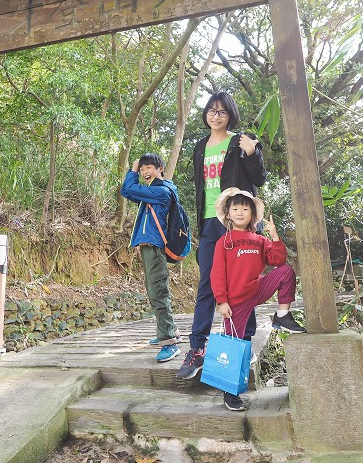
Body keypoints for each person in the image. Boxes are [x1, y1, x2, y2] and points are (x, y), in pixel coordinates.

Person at [177, 92, 266, 380]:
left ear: (230, 115)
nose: (216, 116)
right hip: (209, 223)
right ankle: (197, 349)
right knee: (206, 285)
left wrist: (252, 153)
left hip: (237, 222)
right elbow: (201, 187)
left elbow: (259, 178)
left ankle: (243, 341)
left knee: (242, 285)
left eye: (222, 112)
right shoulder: (200, 146)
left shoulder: (241, 141)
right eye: (212, 111)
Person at [210, 187, 305, 411]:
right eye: (236, 208)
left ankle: (282, 315)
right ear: (228, 213)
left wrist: (274, 236)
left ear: (253, 214)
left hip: (257, 289)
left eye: (245, 208)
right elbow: (217, 274)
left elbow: (278, 260)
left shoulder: (259, 240)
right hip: (235, 302)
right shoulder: (224, 242)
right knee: (234, 345)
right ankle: (229, 394)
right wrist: (222, 301)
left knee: (286, 271)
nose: (240, 212)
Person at [120, 153, 182, 363]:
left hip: (155, 247)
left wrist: (133, 170)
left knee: (158, 292)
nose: (145, 172)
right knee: (154, 290)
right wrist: (134, 173)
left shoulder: (161, 191)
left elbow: (127, 188)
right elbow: (126, 193)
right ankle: (169, 331)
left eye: (149, 168)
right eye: (143, 168)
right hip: (149, 246)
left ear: (160, 169)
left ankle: (169, 343)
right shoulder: (153, 192)